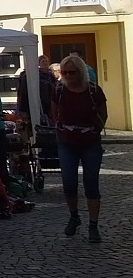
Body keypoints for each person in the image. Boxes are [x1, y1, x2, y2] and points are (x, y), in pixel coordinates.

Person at [52, 54, 107, 243]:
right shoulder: (59, 89)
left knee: (91, 183)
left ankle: (93, 226)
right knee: (69, 183)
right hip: (67, 142)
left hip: (90, 142)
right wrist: (61, 129)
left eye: (72, 72)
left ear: (80, 72)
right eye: (64, 72)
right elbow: (54, 112)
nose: (68, 75)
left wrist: (94, 130)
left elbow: (103, 112)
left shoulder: (93, 90)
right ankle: (74, 216)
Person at [17, 55, 56, 127]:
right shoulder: (31, 75)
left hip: (49, 105)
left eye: (46, 61)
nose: (45, 63)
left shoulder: (51, 75)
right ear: (38, 63)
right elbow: (23, 93)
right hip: (37, 104)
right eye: (43, 61)